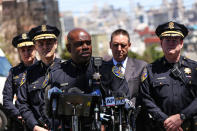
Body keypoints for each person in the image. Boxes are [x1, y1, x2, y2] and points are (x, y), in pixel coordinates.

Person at [140, 21, 197, 131]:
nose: (171, 43)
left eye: (175, 40)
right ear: (161, 43)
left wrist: (182, 117)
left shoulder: (194, 68)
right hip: (162, 127)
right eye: (167, 40)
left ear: (181, 43)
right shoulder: (151, 70)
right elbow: (146, 99)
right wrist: (167, 121)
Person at [17, 25, 61, 131]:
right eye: (41, 44)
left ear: (56, 44)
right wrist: (34, 126)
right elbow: (22, 103)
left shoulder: (67, 70)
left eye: (49, 43)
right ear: (35, 47)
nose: (45, 47)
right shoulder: (28, 74)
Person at [107, 29, 147, 130]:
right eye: (115, 45)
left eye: (123, 45)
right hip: (110, 123)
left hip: (136, 121)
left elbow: (146, 94)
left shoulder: (141, 66)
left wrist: (128, 106)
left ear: (129, 45)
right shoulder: (102, 68)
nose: (119, 49)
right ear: (110, 45)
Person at [3, 33, 36, 131]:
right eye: (23, 50)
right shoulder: (14, 72)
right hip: (20, 123)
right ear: (19, 51)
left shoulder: (43, 69)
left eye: (29, 49)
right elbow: (6, 99)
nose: (26, 53)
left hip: (40, 120)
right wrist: (18, 114)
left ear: (35, 48)